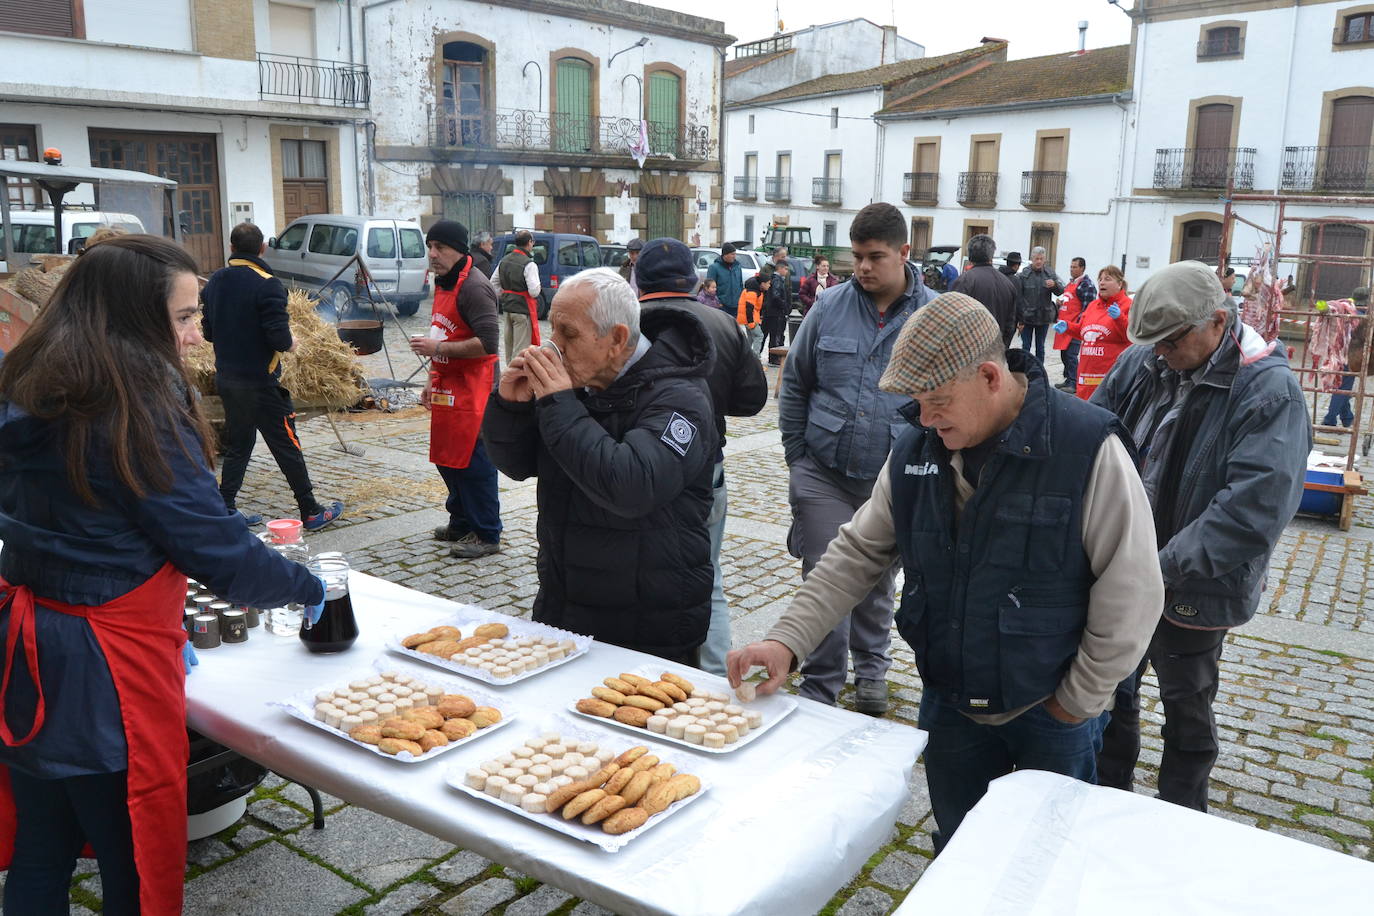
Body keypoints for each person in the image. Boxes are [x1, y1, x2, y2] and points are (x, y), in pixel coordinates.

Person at [731, 292, 1163, 850]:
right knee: (958, 844)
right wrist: (785, 642)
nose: (925, 419)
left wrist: (1075, 703)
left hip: (1052, 709)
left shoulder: (1086, 446)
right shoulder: (917, 446)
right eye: (917, 402)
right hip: (952, 701)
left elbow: (1132, 589)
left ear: (989, 376)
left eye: (937, 401)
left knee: (1048, 857)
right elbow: (858, 552)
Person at [0, 234, 324, 914]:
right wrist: (307, 586)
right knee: (134, 863)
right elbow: (218, 554)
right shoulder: (133, 406)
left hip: (30, 647)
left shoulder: (32, 380)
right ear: (131, 317)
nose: (196, 335)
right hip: (101, 671)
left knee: (43, 846)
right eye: (183, 317)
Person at [1093, 259, 1310, 812]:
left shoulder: (1268, 391)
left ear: (1217, 321)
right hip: (1122, 572)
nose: (1158, 352)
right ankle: (1104, 808)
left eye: (1170, 341)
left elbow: (1252, 511)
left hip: (1193, 586)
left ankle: (1180, 826)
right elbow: (1092, 435)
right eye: (1152, 342)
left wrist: (1155, 570)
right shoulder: (1145, 360)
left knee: (1187, 713)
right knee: (1110, 697)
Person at [482, 268, 715, 662]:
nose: (553, 346)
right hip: (565, 605)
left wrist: (558, 404)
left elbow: (630, 486)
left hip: (648, 626)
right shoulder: (577, 384)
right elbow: (518, 464)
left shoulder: (681, 398)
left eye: (568, 334)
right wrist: (511, 407)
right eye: (552, 329)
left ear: (617, 339)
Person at [778, 202, 936, 715]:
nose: (863, 267)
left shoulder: (932, 315)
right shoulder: (828, 306)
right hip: (823, 473)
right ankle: (821, 683)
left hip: (892, 478)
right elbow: (795, 383)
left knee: (877, 581)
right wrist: (798, 459)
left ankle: (872, 668)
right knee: (825, 573)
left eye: (875, 257)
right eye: (857, 257)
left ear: (904, 253)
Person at [636, 239, 768, 674]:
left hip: (638, 466)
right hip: (705, 468)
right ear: (693, 280)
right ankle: (714, 674)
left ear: (639, 279)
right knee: (706, 574)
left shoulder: (625, 322)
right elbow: (752, 399)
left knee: (633, 572)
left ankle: (645, 671)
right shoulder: (722, 322)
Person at [200, 222, 343, 530]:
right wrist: (293, 342)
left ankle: (225, 509)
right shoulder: (268, 284)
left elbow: (208, 332)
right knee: (286, 443)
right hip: (260, 384)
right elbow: (279, 339)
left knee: (240, 444)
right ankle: (311, 510)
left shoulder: (214, 283)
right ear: (262, 248)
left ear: (231, 248)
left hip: (227, 379)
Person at [409, 220, 503, 559]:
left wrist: (437, 351)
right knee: (449, 459)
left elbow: (489, 343)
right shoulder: (443, 281)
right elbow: (444, 331)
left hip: (475, 387)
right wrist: (429, 380)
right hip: (448, 382)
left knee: (474, 462)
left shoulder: (475, 287)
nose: (433, 254)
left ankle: (487, 532)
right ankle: (461, 521)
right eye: (430, 246)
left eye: (441, 248)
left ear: (460, 249)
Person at [1053, 265, 1130, 401]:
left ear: (1119, 284)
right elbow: (1085, 332)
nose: (1101, 282)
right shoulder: (1093, 306)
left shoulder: (1127, 305)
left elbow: (1130, 335)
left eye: (1107, 279)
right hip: (1086, 376)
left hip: (1109, 376)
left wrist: (1120, 318)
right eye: (1100, 279)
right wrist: (1068, 327)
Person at [949, 233, 1020, 347]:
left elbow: (952, 319)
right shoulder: (1008, 284)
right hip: (996, 351)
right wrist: (1002, 348)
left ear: (970, 256)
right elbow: (1010, 324)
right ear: (991, 256)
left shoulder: (964, 281)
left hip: (969, 350)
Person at [1322, 286, 1369, 427]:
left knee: (1342, 386)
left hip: (1338, 354)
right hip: (1353, 357)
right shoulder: (1366, 316)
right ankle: (1329, 420)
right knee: (1343, 388)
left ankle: (1347, 418)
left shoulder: (1345, 311)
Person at [496, 230, 542, 364]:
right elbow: (534, 291)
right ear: (529, 243)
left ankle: (509, 373)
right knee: (520, 349)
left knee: (509, 347)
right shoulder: (529, 264)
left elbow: (493, 284)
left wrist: (506, 294)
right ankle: (516, 379)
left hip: (507, 308)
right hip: (522, 309)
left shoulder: (503, 261)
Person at [1052, 256, 1098, 392]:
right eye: (1071, 267)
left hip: (1075, 327)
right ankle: (1068, 378)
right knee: (1064, 354)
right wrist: (1061, 303)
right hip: (1064, 326)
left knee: (1071, 355)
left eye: (1075, 267)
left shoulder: (1087, 285)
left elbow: (1088, 308)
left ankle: (1073, 383)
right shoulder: (1071, 283)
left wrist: (1080, 324)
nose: (1071, 269)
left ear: (1082, 268)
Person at [1016, 246, 1062, 364]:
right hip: (1027, 318)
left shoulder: (1050, 273)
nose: (1039, 261)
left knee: (1040, 348)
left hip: (1044, 317)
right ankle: (1025, 371)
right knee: (1026, 346)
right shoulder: (1023, 275)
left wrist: (1055, 285)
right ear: (1032, 259)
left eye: (1041, 259)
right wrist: (1019, 319)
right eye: (1036, 259)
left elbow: (1061, 291)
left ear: (1044, 259)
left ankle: (1039, 372)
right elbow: (1018, 298)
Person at [737, 265, 770, 355]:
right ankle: (755, 359)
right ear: (762, 283)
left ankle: (745, 358)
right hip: (750, 319)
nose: (769, 285)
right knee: (759, 336)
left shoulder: (757, 290)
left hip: (749, 318)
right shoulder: (753, 292)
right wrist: (751, 322)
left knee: (750, 339)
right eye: (768, 283)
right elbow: (749, 308)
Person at [762, 261, 791, 359]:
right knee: (775, 335)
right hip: (776, 313)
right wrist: (784, 306)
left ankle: (773, 357)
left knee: (772, 335)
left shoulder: (775, 279)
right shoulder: (777, 280)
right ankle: (774, 358)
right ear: (780, 269)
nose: (787, 271)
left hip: (771, 312)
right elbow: (776, 296)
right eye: (786, 269)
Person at [707, 243, 744, 318]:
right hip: (722, 306)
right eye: (732, 254)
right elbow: (709, 288)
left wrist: (740, 300)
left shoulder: (737, 267)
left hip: (736, 306)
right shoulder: (714, 268)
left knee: (733, 328)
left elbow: (740, 285)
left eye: (735, 254)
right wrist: (718, 302)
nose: (734, 256)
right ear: (725, 254)